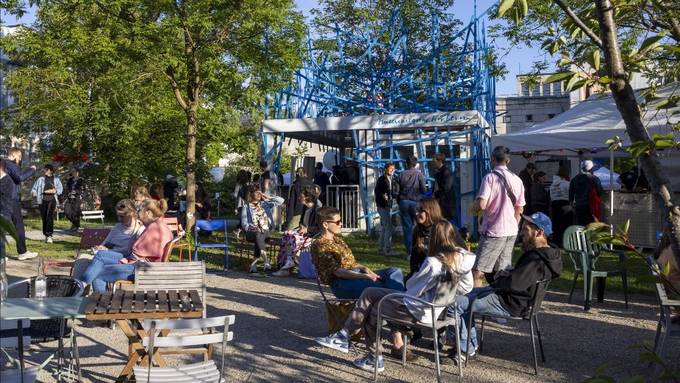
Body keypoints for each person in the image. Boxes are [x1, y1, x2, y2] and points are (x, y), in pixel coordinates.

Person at [314, 220, 474, 372]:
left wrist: (413, 280)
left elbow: (412, 289)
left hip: (417, 309)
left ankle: (372, 357)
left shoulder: (433, 263)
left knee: (371, 310)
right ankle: (344, 337)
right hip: (434, 308)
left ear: (434, 238)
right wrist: (446, 295)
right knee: (369, 292)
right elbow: (467, 287)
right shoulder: (463, 258)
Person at [452, 212, 563, 359]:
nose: (522, 233)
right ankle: (467, 344)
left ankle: (466, 349)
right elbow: (521, 279)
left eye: (526, 229)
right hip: (513, 298)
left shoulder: (537, 259)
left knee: (457, 304)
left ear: (539, 232)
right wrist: (509, 274)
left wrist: (502, 278)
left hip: (510, 303)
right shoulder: (545, 255)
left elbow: (514, 284)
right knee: (465, 295)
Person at [80, 199, 173, 292]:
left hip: (141, 269)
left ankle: (89, 293)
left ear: (148, 213)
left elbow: (136, 252)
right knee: (100, 255)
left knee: (97, 274)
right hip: (142, 265)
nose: (138, 213)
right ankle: (82, 285)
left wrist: (124, 259)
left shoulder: (154, 228)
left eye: (140, 210)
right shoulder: (159, 225)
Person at [311, 206, 404, 299]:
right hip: (342, 283)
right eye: (337, 222)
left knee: (394, 272)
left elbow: (351, 263)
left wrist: (364, 268)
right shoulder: (320, 245)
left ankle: (397, 304)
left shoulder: (337, 240)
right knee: (384, 286)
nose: (341, 224)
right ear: (325, 225)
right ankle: (399, 305)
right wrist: (364, 276)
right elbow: (338, 272)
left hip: (355, 274)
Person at [472, 146, 525, 288]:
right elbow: (519, 208)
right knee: (502, 272)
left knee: (478, 272)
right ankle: (500, 304)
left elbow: (482, 204)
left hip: (494, 230)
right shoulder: (517, 180)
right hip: (511, 230)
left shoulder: (490, 178)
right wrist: (513, 223)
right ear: (508, 160)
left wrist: (473, 207)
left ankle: (475, 307)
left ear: (493, 159)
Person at [274, 186, 322, 277]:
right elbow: (301, 222)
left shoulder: (317, 209)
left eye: (301, 196)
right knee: (287, 235)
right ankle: (288, 263)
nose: (299, 198)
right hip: (303, 235)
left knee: (292, 238)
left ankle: (287, 266)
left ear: (308, 197)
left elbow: (319, 227)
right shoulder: (305, 208)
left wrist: (307, 229)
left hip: (313, 236)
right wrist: (301, 226)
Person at [240, 183, 285, 273]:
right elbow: (244, 224)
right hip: (251, 233)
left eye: (260, 193)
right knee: (258, 234)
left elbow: (281, 201)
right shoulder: (246, 207)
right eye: (257, 193)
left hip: (265, 232)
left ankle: (254, 265)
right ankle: (266, 262)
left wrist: (267, 197)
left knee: (259, 236)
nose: (259, 195)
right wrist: (252, 227)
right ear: (251, 194)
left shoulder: (265, 204)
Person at [3, 148, 38, 260]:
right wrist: (32, 169)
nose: (19, 160)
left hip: (5, 197)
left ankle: (8, 254)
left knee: (5, 225)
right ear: (14, 155)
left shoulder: (3, 164)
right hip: (11, 198)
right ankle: (22, 252)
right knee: (18, 226)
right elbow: (20, 177)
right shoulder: (10, 163)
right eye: (19, 157)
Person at [395, 156, 427, 259]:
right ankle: (420, 249)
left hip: (404, 202)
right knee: (420, 227)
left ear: (406, 163)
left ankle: (409, 253)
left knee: (407, 228)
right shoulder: (419, 174)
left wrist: (400, 201)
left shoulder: (400, 175)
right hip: (416, 203)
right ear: (415, 164)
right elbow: (424, 189)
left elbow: (396, 192)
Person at [408, 197, 445, 278]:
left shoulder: (443, 229)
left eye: (420, 210)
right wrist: (414, 275)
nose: (416, 213)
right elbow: (414, 258)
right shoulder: (417, 230)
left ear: (430, 211)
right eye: (416, 210)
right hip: (422, 275)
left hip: (441, 276)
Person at [31, 164, 63, 243]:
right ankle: (46, 235)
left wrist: (54, 191)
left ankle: (49, 235)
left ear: (51, 171)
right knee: (44, 218)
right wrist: (33, 193)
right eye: (44, 169)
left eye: (46, 169)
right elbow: (34, 189)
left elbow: (60, 189)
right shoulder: (40, 179)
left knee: (49, 217)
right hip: (42, 200)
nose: (44, 171)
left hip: (52, 200)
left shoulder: (56, 179)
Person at [569, 160, 603, 226]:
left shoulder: (574, 179)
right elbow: (599, 191)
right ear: (591, 168)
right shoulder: (594, 178)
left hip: (578, 206)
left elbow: (571, 194)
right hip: (591, 206)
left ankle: (582, 236)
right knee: (591, 225)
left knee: (580, 226)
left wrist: (572, 204)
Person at [374, 162, 396, 256]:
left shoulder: (390, 179)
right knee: (388, 227)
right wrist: (383, 195)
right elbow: (377, 191)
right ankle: (387, 249)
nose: (392, 171)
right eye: (391, 169)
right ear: (386, 169)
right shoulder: (382, 179)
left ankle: (380, 249)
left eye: (393, 169)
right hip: (382, 206)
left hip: (387, 205)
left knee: (384, 227)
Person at [549, 167, 572, 245]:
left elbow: (551, 196)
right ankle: (566, 242)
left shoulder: (552, 185)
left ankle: (556, 242)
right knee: (566, 224)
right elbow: (570, 194)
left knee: (556, 224)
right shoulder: (566, 183)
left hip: (554, 205)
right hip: (565, 204)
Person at [432, 153, 457, 221]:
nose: (433, 164)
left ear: (439, 161)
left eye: (434, 162)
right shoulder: (439, 172)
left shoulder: (446, 172)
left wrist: (437, 195)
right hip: (442, 204)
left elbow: (446, 188)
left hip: (446, 205)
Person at [232, 170, 251, 239]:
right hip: (248, 203)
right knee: (246, 219)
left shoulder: (238, 184)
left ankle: (237, 231)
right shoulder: (248, 183)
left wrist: (236, 207)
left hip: (240, 203)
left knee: (243, 219)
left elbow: (235, 195)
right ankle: (241, 233)